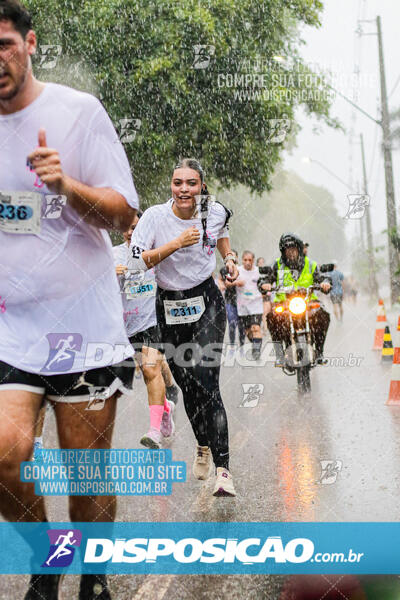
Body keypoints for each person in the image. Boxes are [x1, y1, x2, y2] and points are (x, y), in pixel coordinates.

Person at [0, 2, 138, 598]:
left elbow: (124, 212)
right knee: (5, 457)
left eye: (3, 43)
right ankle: (47, 559)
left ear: (29, 43)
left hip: (84, 325)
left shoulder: (78, 113)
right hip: (11, 328)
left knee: (87, 476)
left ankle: (95, 573)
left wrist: (65, 186)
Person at [128, 158, 238, 496]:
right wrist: (175, 244)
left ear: (201, 185)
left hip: (207, 302)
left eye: (191, 183)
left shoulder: (215, 211)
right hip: (169, 306)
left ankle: (224, 471)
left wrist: (229, 258)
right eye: (178, 183)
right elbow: (136, 261)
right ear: (171, 186)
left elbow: (222, 233)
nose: (184, 189)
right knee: (188, 388)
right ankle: (202, 443)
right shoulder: (154, 218)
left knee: (207, 382)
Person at [113, 211, 179, 449]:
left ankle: (154, 431)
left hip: (154, 320)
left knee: (151, 370)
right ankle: (165, 408)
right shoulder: (114, 255)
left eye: (136, 227)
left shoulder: (156, 252)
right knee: (148, 371)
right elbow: (95, 282)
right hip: (127, 325)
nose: (132, 232)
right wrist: (113, 274)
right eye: (128, 228)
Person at [259, 233, 331, 365]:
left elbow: (321, 278)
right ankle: (280, 354)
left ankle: (319, 352)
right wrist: (264, 283)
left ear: (299, 249)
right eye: (287, 250)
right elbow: (266, 279)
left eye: (293, 249)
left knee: (323, 314)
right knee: (271, 317)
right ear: (283, 251)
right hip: (284, 303)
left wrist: (325, 283)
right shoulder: (277, 265)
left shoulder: (311, 264)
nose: (291, 253)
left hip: (308, 302)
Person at [235, 251, 264, 359]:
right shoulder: (237, 271)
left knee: (256, 328)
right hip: (242, 306)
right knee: (248, 331)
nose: (247, 262)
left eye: (250, 260)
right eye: (245, 260)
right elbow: (227, 283)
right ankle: (255, 342)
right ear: (242, 260)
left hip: (256, 305)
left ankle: (256, 352)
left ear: (253, 260)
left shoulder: (258, 271)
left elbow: (266, 281)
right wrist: (236, 283)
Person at [219, 249, 244, 347]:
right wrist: (221, 285)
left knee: (242, 325)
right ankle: (233, 345)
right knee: (232, 323)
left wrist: (233, 283)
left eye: (233, 256)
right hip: (230, 299)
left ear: (236, 258)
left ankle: (242, 345)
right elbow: (220, 279)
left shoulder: (241, 270)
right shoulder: (224, 269)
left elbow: (243, 282)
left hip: (242, 301)